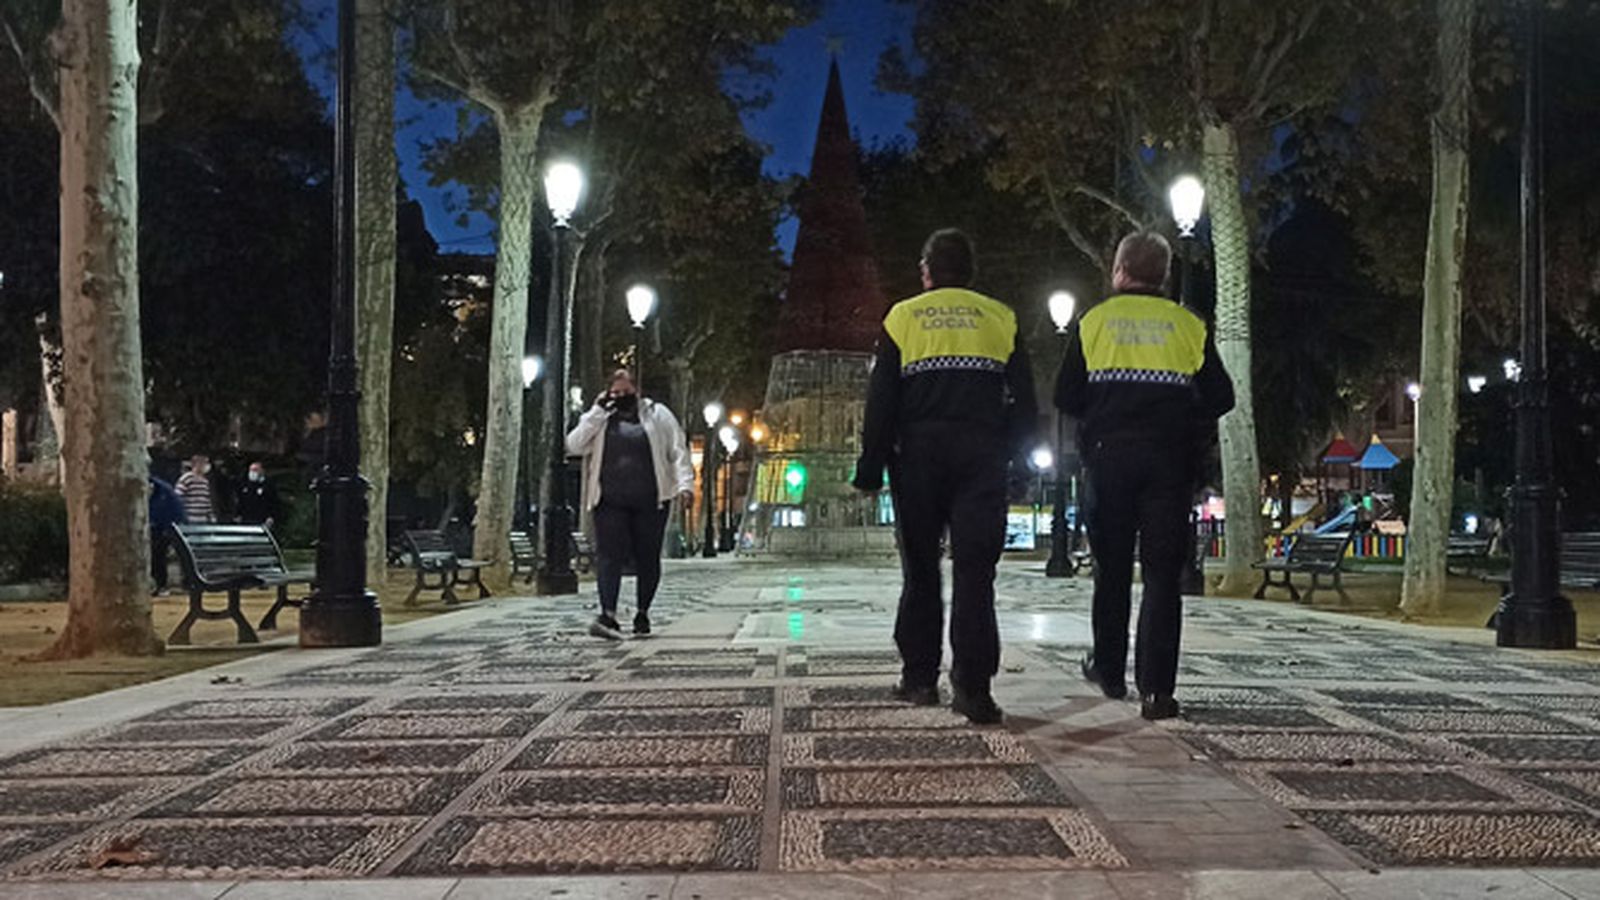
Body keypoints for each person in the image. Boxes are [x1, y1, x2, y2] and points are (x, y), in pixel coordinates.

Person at [853, 228, 1038, 725]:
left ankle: (919, 678)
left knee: (921, 570)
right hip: (982, 458)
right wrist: (1020, 463)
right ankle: (974, 689)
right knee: (977, 574)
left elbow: (882, 400)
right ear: (971, 271)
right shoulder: (1001, 318)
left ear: (927, 271)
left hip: (918, 459)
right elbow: (1024, 400)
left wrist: (870, 466)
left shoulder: (903, 318)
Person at [1055, 231, 1235, 720]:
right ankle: (1157, 691)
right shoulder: (1188, 325)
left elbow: (1065, 396)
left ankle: (1110, 669)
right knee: (1161, 576)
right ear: (1165, 276)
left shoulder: (1093, 322)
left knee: (1110, 570)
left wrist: (1105, 407)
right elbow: (1222, 396)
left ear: (1119, 271)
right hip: (1169, 464)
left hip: (1109, 459)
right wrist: (1183, 409)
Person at [566, 370, 695, 641]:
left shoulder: (658, 415)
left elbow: (678, 450)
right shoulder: (600, 419)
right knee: (609, 557)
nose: (621, 397)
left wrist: (685, 486)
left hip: (651, 501)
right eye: (616, 392)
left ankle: (642, 612)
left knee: (648, 558)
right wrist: (597, 412)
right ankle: (608, 614)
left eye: (626, 392)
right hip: (609, 501)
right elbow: (574, 445)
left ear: (637, 390)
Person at [149, 474, 186, 594]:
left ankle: (160, 584)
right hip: (160, 526)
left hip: (165, 527)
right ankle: (159, 584)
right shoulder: (162, 490)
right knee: (157, 554)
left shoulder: (163, 492)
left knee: (158, 554)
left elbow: (174, 512)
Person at [236, 461, 280, 528]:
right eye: (251, 470)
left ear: (261, 471)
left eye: (255, 470)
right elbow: (240, 501)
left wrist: (271, 517)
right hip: (246, 520)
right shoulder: (245, 485)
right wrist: (238, 514)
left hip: (262, 521)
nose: (252, 472)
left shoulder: (268, 485)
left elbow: (274, 502)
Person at [175, 454, 215, 524]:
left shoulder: (205, 481)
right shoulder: (186, 478)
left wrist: (211, 517)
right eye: (204, 463)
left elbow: (206, 501)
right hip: (190, 518)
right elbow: (177, 497)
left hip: (203, 520)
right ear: (197, 464)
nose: (206, 465)